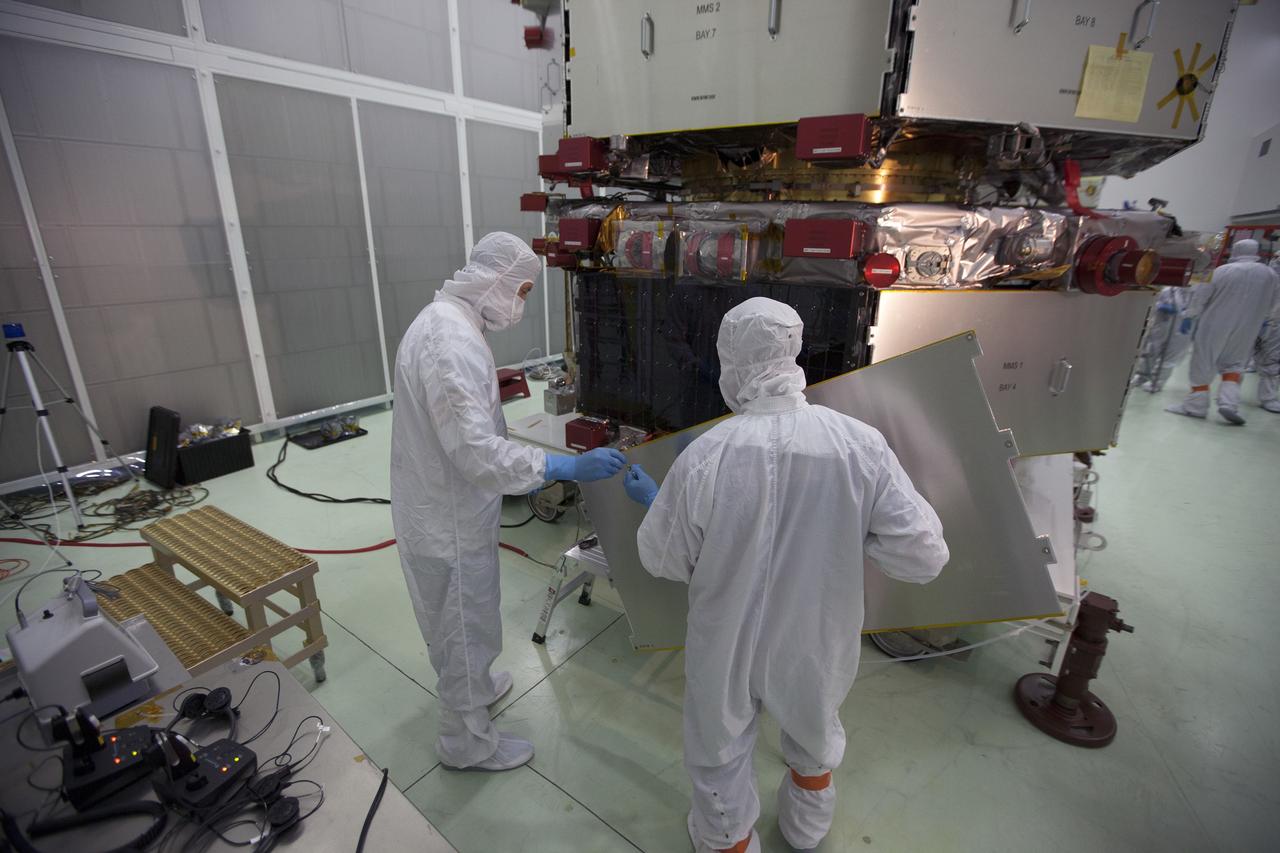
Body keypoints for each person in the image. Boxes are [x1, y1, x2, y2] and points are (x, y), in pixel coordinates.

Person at [622, 297, 949, 853]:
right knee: (814, 729)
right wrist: (855, 531)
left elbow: (662, 559)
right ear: (792, 352)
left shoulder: (707, 455)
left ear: (732, 360)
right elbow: (923, 556)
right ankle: (805, 830)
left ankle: (727, 840)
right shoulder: (858, 444)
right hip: (817, 631)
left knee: (718, 745)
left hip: (724, 637)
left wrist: (661, 504)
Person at [390, 232, 626, 771]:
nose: (520, 303)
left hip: (449, 503)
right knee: (461, 620)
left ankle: (477, 684)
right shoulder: (448, 342)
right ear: (493, 280)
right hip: (446, 515)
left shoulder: (451, 322)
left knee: (470, 609)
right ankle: (464, 742)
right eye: (520, 290)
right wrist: (558, 467)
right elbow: (478, 454)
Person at [1166, 239, 1279, 424]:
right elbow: (1276, 302)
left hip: (1215, 324)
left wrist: (1189, 315)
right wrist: (1269, 321)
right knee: (1234, 364)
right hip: (1249, 327)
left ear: (1236, 250)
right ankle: (1229, 403)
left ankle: (1196, 406)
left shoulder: (1221, 271)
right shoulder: (1270, 274)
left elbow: (1202, 294)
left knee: (1204, 360)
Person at [1257, 256, 1280, 413]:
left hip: (1275, 325)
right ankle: (1228, 396)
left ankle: (1268, 398)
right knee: (1238, 360)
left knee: (1271, 361)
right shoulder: (1266, 277)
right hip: (1253, 320)